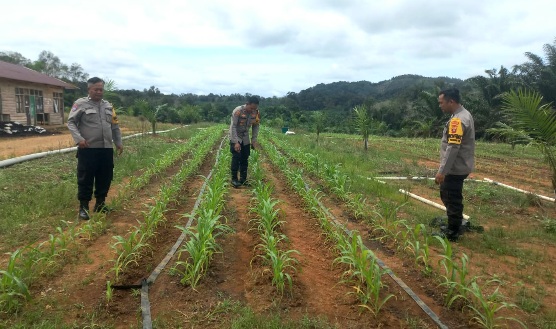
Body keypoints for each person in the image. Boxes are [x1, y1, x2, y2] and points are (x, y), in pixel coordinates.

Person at [67, 77, 123, 220]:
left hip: (106, 148)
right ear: (89, 90)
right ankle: (83, 207)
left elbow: (115, 126)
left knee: (105, 176)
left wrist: (118, 142)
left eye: (101, 89)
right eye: (96, 89)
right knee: (86, 177)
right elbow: (71, 122)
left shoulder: (109, 106)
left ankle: (100, 203)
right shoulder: (80, 104)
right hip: (88, 148)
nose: (99, 92)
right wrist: (79, 139)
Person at [434, 88, 475, 241]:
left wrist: (442, 171)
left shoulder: (457, 120)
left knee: (451, 197)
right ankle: (455, 224)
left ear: (451, 101)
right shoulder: (463, 114)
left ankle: (453, 232)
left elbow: (453, 148)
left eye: (441, 102)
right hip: (460, 166)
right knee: (450, 195)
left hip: (454, 168)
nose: (440, 105)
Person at [229, 96, 260, 188]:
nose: (252, 110)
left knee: (245, 157)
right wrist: (235, 142)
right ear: (247, 104)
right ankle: (234, 179)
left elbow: (256, 126)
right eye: (251, 108)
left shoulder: (256, 112)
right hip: (236, 135)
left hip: (245, 137)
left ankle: (243, 179)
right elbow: (233, 126)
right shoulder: (238, 111)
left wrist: (254, 140)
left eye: (254, 108)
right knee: (236, 157)